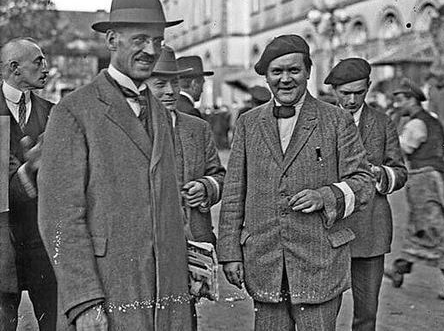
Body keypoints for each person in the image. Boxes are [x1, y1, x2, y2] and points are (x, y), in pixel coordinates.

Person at [37, 0, 192, 330]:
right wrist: (83, 303)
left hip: (166, 297)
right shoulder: (73, 111)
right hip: (105, 296)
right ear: (111, 40)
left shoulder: (163, 114)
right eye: (139, 39)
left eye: (158, 40)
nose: (151, 50)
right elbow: (58, 220)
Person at [218, 34, 374, 331]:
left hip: (319, 263)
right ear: (266, 77)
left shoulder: (336, 120)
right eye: (277, 72)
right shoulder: (248, 123)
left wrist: (325, 196)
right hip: (265, 261)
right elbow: (235, 192)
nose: (286, 79)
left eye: (294, 70)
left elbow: (364, 182)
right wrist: (229, 254)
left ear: (308, 72)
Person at [145, 45, 226, 329]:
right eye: (160, 84)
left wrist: (206, 187)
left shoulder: (197, 128)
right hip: (147, 248)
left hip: (190, 246)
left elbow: (219, 174)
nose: (169, 91)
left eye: (175, 83)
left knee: (185, 320)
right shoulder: (132, 128)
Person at [325, 58, 407, 331]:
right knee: (322, 312)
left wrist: (381, 174)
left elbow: (400, 171)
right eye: (344, 93)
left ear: (368, 87)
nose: (351, 100)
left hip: (370, 228)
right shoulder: (319, 121)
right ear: (333, 90)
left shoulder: (383, 123)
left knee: (366, 314)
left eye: (358, 93)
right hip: (327, 229)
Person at [386, 78, 444, 303]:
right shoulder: (430, 119)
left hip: (424, 179)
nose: (397, 105)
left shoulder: (415, 124)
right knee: (419, 226)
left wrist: (390, 131)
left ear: (412, 100)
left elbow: (402, 147)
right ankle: (400, 267)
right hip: (432, 177)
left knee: (435, 229)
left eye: (400, 100)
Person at [0, 37, 56, 331]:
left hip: (43, 247)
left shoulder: (54, 113)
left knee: (55, 322)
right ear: (14, 68)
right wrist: (29, 170)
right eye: (38, 61)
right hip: (2, 248)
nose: (46, 68)